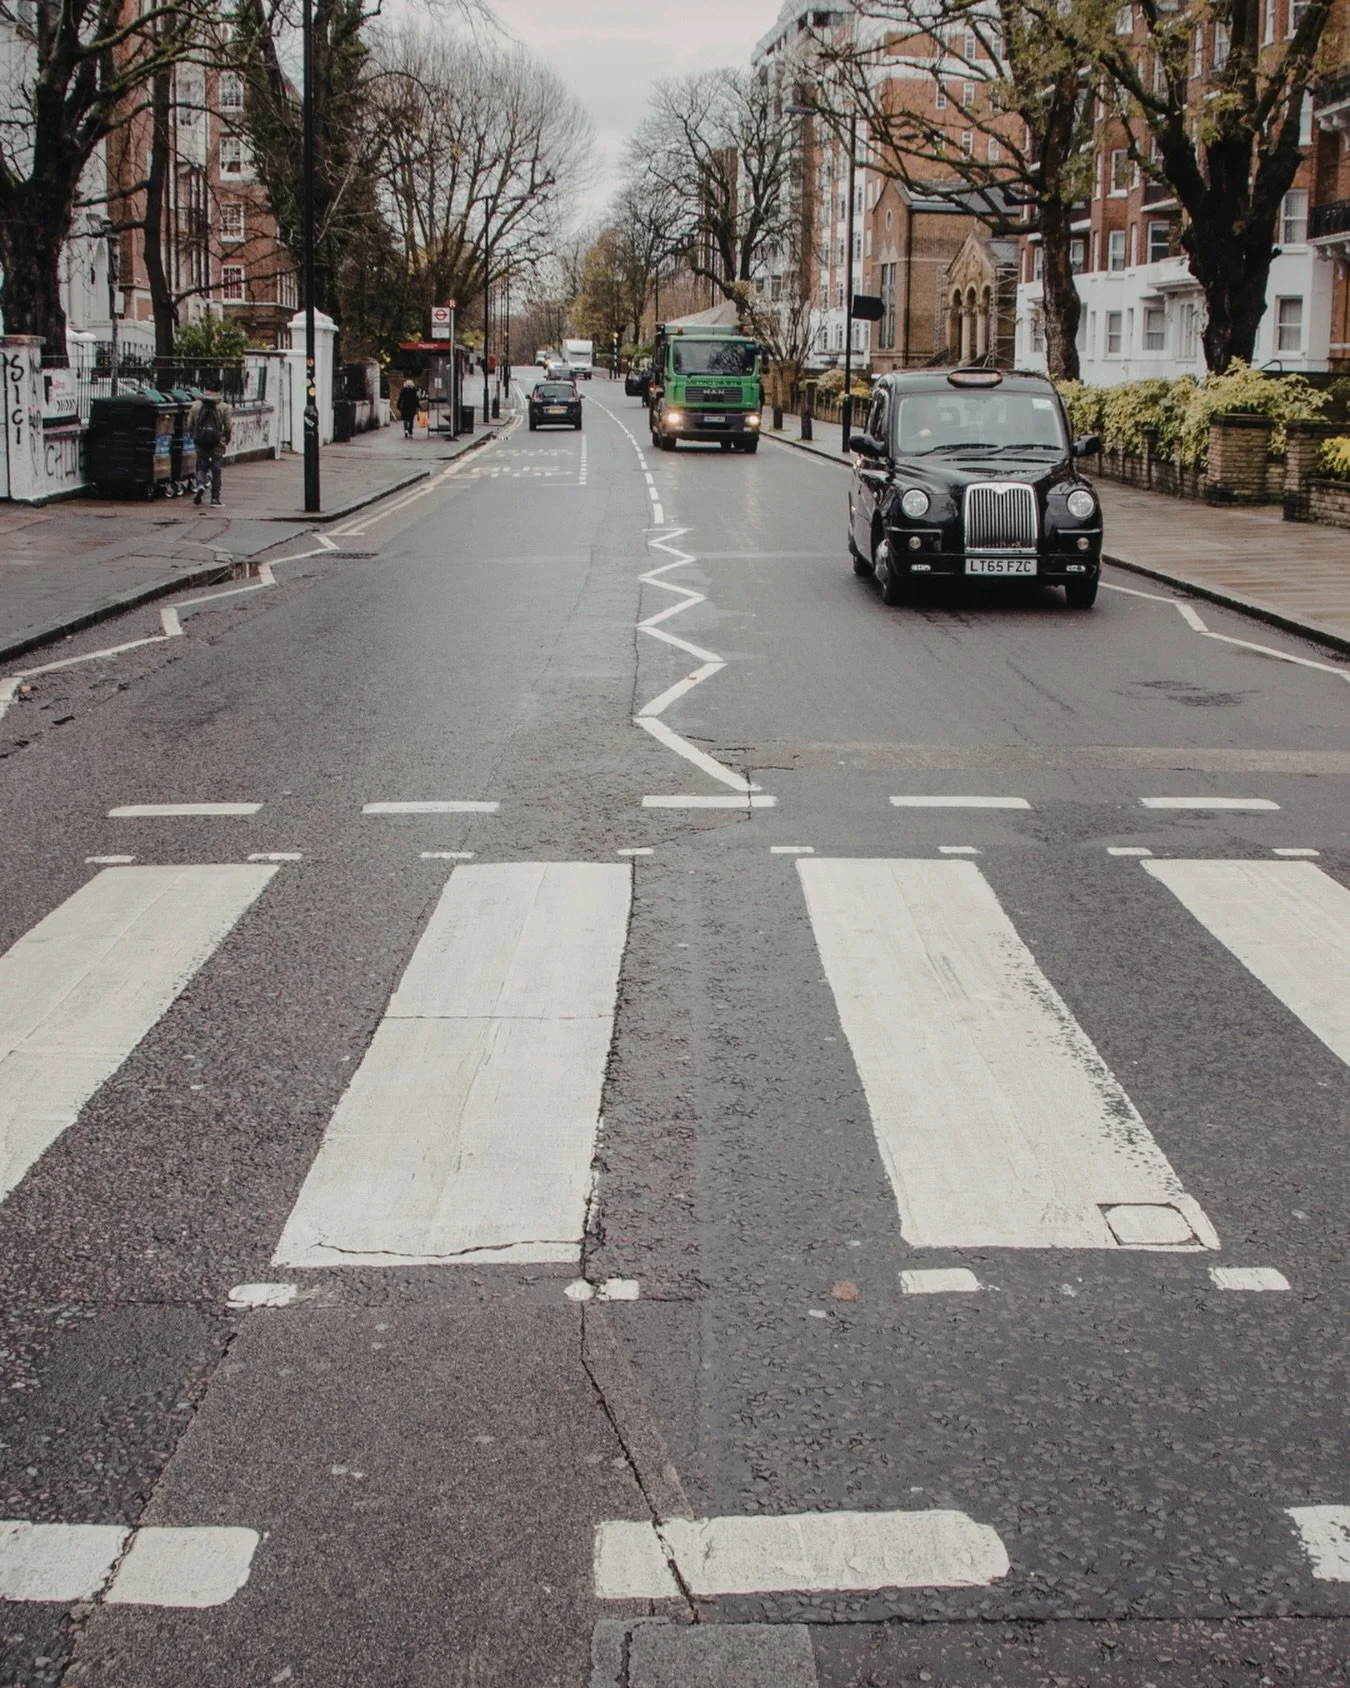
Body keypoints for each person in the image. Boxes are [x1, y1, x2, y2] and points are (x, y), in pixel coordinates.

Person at [189, 387, 232, 507]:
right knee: (216, 471)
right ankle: (215, 499)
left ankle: (200, 485)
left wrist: (194, 436)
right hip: (217, 442)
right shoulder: (224, 407)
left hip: (200, 440)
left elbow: (190, 424)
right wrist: (226, 440)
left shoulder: (196, 406)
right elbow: (228, 427)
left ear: (205, 389)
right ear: (219, 391)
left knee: (201, 465)